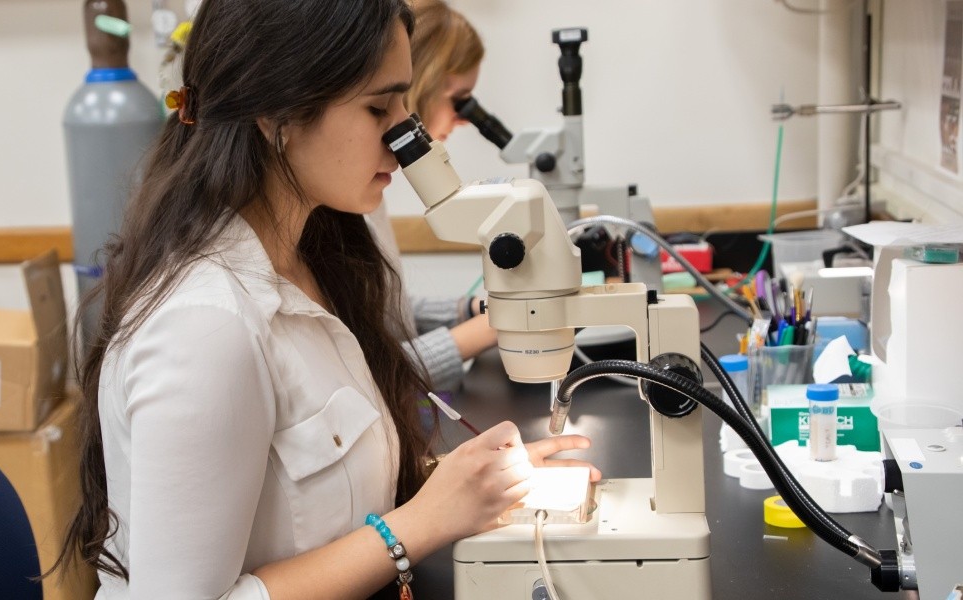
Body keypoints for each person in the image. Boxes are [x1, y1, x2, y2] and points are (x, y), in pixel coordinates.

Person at [51, 0, 600, 597]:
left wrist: (470, 485)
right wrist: (420, 522)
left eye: (406, 104)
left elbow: (314, 496)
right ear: (277, 113)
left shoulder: (311, 260)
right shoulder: (206, 328)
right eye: (377, 107)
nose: (402, 138)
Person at [366, 0, 494, 391]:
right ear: (422, 77)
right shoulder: (338, 199)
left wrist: (472, 309)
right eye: (460, 99)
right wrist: (496, 327)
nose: (465, 118)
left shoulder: (369, 187)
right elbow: (367, 376)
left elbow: (385, 313)